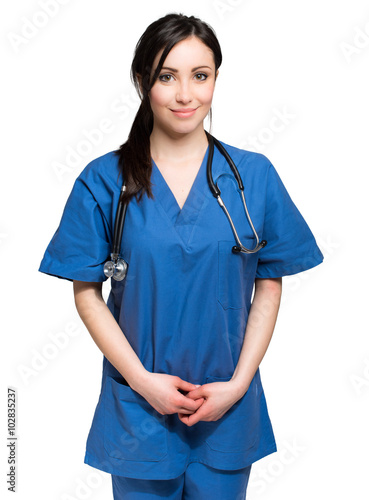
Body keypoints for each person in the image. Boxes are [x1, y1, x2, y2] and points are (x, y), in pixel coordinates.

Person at [39, 13, 324, 500]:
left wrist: (236, 386)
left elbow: (270, 282)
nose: (185, 94)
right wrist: (143, 383)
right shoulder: (105, 180)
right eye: (166, 76)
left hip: (227, 412)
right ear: (142, 81)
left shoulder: (253, 176)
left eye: (200, 75)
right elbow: (86, 290)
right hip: (140, 410)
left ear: (216, 79)